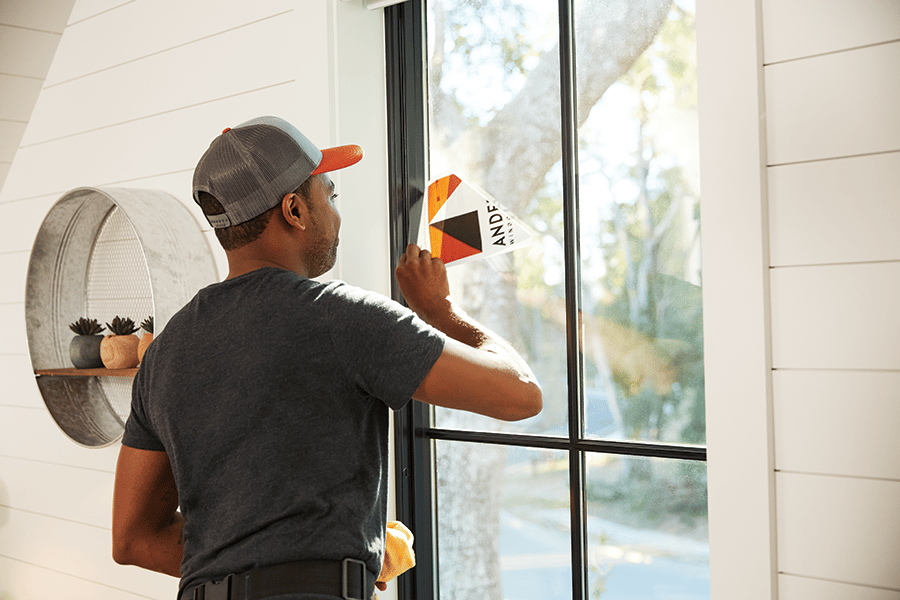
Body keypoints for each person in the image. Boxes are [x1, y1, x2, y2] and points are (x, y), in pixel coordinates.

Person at [111, 115, 542, 600]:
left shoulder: (166, 350)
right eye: (331, 196)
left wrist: (290, 560)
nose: (336, 215)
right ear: (294, 210)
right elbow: (520, 393)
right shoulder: (345, 317)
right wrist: (441, 310)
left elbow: (133, 540)